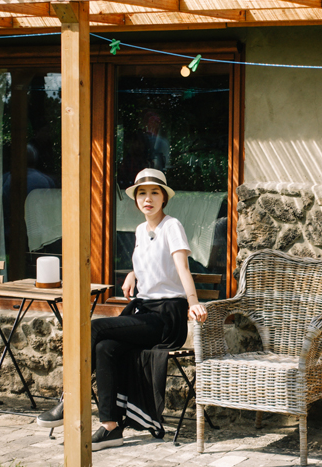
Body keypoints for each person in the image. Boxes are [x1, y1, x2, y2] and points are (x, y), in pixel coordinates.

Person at [36, 168, 207, 451]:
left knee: (95, 327)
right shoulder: (140, 230)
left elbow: (182, 268)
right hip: (145, 312)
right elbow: (151, 259)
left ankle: (70, 399)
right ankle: (111, 427)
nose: (148, 199)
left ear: (164, 198)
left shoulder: (172, 226)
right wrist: (133, 273)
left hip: (167, 318)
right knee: (105, 348)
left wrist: (193, 302)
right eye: (142, 193)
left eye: (154, 193)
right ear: (136, 199)